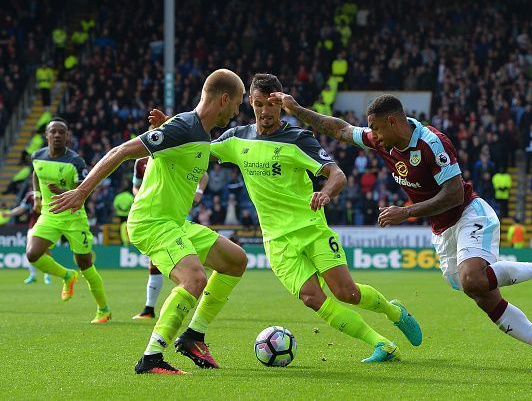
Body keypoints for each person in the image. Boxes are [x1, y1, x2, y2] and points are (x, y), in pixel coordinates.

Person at [269, 92, 532, 372]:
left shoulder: (432, 142)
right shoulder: (382, 140)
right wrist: (297, 109)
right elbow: (339, 129)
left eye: (376, 128)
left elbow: (454, 193)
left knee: (473, 279)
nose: (373, 135)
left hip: (470, 215)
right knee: (480, 295)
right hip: (443, 231)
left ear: (392, 121)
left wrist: (406, 212)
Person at [152, 74, 422, 363]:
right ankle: (382, 344)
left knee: (347, 293)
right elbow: (197, 149)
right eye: (258, 105)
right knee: (312, 298)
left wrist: (326, 192)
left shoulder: (298, 139)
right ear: (251, 104)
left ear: (280, 103)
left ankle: (394, 311)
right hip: (277, 240)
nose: (265, 112)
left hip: (311, 229)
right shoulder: (235, 139)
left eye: (271, 105)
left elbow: (337, 174)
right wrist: (169, 126)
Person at [49, 69, 248, 375]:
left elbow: (177, 145)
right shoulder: (184, 127)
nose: (238, 111)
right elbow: (121, 151)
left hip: (175, 223)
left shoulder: (193, 130)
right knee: (194, 279)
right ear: (224, 99)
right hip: (151, 222)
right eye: (237, 103)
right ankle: (152, 358)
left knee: (236, 260)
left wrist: (166, 126)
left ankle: (194, 336)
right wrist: (81, 192)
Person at [27, 118, 110, 323]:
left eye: (61, 132)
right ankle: (67, 276)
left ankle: (103, 309)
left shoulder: (76, 161)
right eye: (53, 132)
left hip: (74, 217)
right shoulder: (37, 156)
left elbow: (85, 190)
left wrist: (63, 192)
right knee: (33, 254)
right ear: (46, 135)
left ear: (67, 136)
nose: (57, 135)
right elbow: (36, 175)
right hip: (50, 214)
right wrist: (37, 195)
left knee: (85, 263)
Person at [130, 156, 209, 320]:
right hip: (155, 218)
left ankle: (156, 310)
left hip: (177, 215)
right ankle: (149, 308)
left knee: (191, 271)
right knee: (157, 263)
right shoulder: (141, 162)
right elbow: (136, 187)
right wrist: (142, 196)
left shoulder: (175, 151)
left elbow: (203, 174)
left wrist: (199, 192)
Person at [1, 188, 52, 284]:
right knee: (29, 250)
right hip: (33, 226)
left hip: (48, 226)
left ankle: (47, 275)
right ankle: (32, 275)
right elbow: (22, 208)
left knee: (46, 250)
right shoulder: (31, 195)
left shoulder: (50, 193)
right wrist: (9, 213)